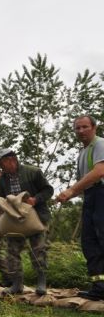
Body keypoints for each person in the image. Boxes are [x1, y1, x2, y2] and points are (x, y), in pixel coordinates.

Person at [0, 148, 53, 296]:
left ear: (11, 160)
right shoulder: (2, 180)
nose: (0, 166)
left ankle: (41, 282)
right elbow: (3, 198)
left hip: (36, 217)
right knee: (11, 251)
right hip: (14, 219)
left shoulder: (33, 172)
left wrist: (35, 199)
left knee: (38, 250)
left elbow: (48, 190)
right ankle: (17, 284)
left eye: (1, 163)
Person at [57, 115, 104, 300]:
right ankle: (99, 287)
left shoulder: (100, 144)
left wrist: (71, 190)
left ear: (94, 127)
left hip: (102, 194)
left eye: (85, 127)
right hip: (90, 198)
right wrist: (68, 195)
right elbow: (83, 184)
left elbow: (99, 172)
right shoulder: (82, 153)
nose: (81, 131)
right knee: (89, 243)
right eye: (77, 128)